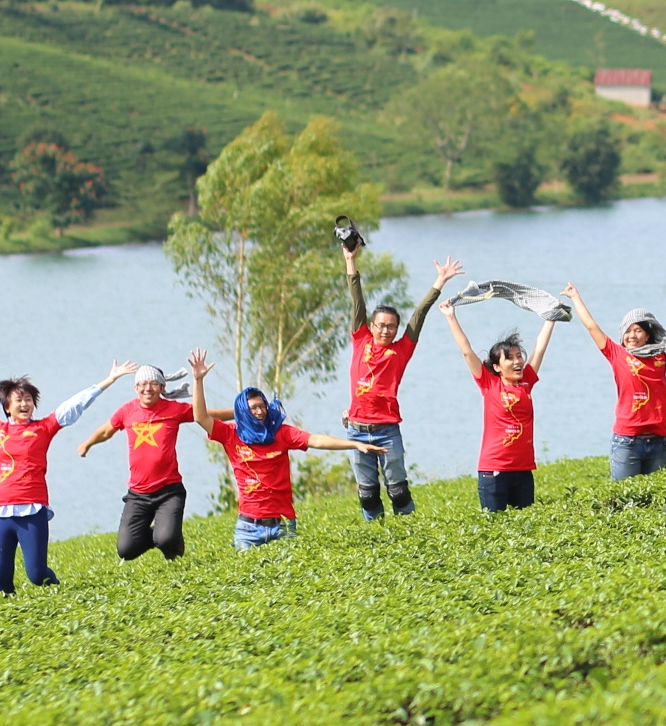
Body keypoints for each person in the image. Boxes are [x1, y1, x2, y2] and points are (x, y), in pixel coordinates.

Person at [0, 361, 130, 596]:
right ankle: (7, 619)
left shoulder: (44, 427)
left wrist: (109, 380)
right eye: (18, 400)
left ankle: (61, 597)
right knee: (2, 584)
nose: (24, 404)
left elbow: (75, 405)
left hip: (32, 510)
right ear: (7, 407)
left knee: (37, 574)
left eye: (28, 400)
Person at [340, 236, 461, 522]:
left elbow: (419, 314)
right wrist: (350, 260)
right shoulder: (360, 340)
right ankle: (378, 539)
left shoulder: (401, 350)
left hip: (387, 429)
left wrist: (439, 282)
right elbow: (356, 300)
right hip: (357, 430)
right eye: (380, 326)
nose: (385, 331)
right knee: (367, 493)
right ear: (371, 326)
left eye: (391, 327)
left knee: (398, 490)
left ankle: (409, 536)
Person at [191, 360, 364, 548]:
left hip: (282, 524)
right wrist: (198, 380)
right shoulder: (230, 434)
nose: (259, 412)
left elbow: (316, 440)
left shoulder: (281, 433)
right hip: (248, 528)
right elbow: (200, 417)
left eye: (262, 406)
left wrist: (353, 444)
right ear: (243, 412)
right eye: (253, 408)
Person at [565, 282, 666, 478]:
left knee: (653, 499)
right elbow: (591, 326)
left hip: (657, 441)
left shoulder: (661, 354)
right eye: (628, 331)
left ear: (647, 335)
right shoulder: (616, 354)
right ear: (622, 335)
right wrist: (575, 297)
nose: (632, 335)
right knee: (624, 500)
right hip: (627, 442)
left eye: (638, 330)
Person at [76, 354, 212, 562]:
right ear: (135, 388)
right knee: (127, 550)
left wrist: (241, 413)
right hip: (138, 494)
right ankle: (166, 535)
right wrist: (87, 443)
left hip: (169, 491)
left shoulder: (174, 410)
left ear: (162, 388)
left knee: (165, 539)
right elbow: (105, 431)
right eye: (142, 384)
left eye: (154, 384)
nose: (148, 388)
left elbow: (207, 415)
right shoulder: (127, 411)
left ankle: (170, 540)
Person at [437, 291, 559, 512]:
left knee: (524, 529)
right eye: (509, 358)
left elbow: (539, 349)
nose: (517, 361)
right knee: (495, 530)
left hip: (523, 471)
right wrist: (450, 316)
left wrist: (551, 318)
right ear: (496, 366)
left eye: (518, 356)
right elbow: (467, 351)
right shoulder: (489, 384)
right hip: (494, 471)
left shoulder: (527, 382)